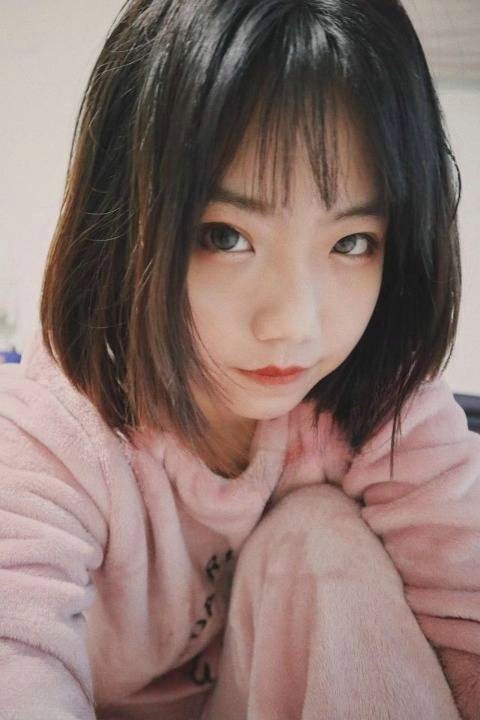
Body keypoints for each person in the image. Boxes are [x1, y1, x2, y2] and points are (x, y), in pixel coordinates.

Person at [0, 0, 479, 718]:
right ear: (120, 223)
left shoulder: (375, 401)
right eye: (225, 237)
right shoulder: (53, 433)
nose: (293, 325)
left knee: (318, 537)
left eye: (351, 243)